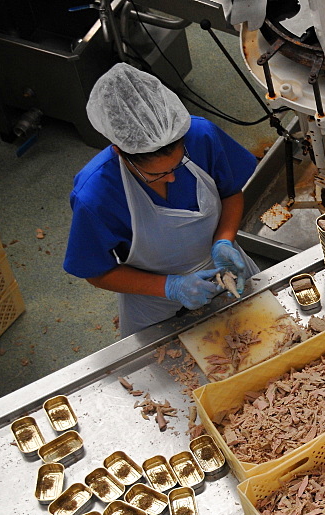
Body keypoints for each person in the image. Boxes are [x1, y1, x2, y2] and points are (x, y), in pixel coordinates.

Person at [64, 63, 260, 338]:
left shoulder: (202, 136)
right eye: (157, 174)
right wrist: (171, 287)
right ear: (121, 152)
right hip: (152, 298)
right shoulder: (95, 195)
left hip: (226, 268)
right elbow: (96, 272)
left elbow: (230, 192)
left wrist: (224, 240)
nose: (171, 179)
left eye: (178, 165)